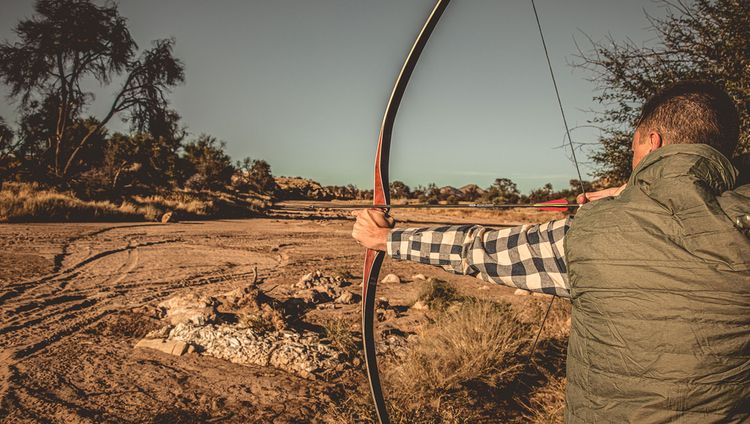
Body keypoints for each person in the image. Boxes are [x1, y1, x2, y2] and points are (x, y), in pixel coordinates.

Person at [351, 80, 750, 423]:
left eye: (635, 152)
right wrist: (663, 189)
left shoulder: (592, 233)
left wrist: (385, 240)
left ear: (653, 141)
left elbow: (480, 250)